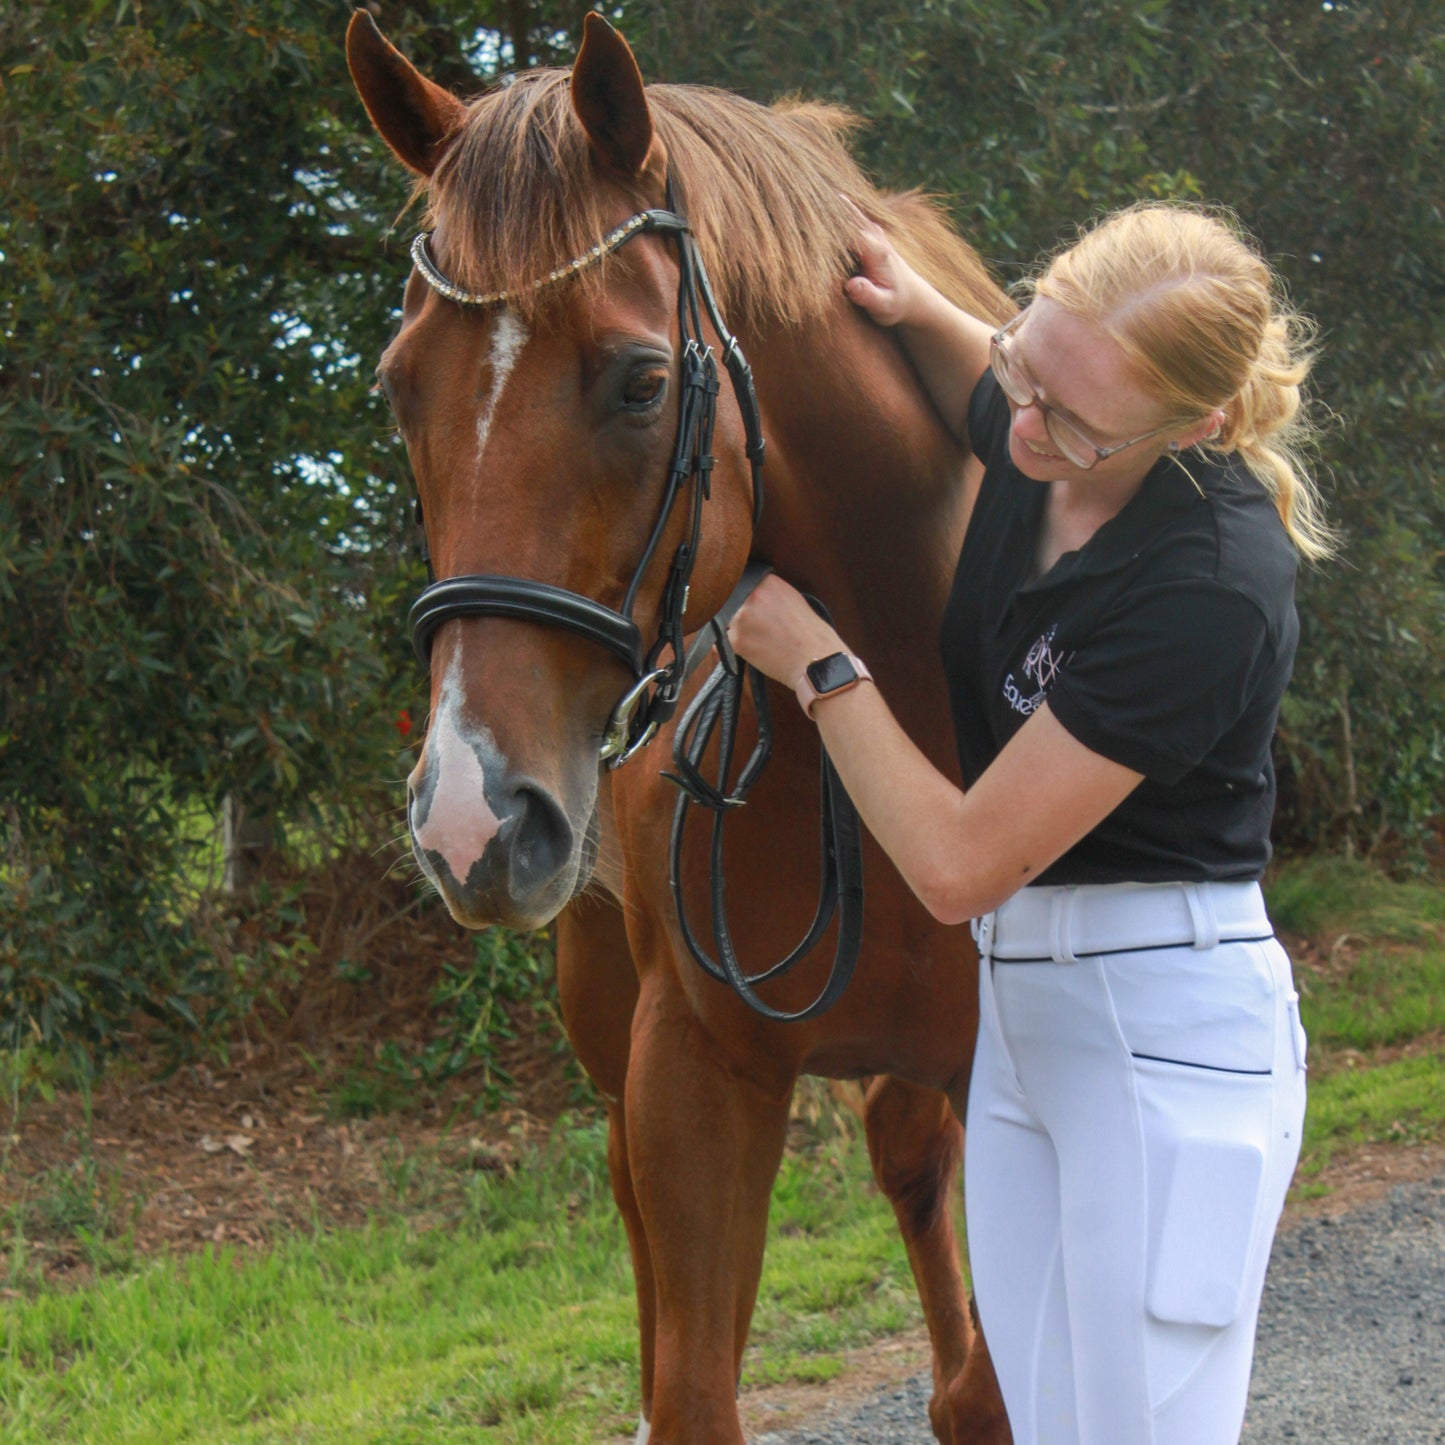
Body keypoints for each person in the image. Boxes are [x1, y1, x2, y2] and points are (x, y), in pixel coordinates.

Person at [727, 201, 1333, 1445]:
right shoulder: (1045, 426)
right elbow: (999, 387)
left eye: (1069, 415)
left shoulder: (1205, 583)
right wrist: (921, 310)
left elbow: (954, 864)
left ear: (1193, 426)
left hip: (1163, 1037)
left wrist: (821, 666)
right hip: (1023, 1023)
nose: (1020, 427)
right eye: (1026, 365)